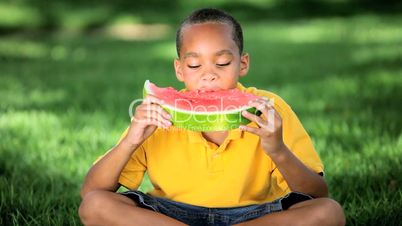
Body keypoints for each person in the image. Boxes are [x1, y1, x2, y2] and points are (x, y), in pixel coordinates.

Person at [78, 8, 345, 226]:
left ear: (243, 63)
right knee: (95, 206)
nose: (209, 74)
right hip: (171, 216)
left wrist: (278, 150)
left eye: (222, 63)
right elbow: (90, 191)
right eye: (195, 65)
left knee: (328, 212)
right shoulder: (159, 111)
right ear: (179, 69)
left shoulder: (268, 108)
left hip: (254, 216)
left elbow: (317, 193)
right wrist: (130, 141)